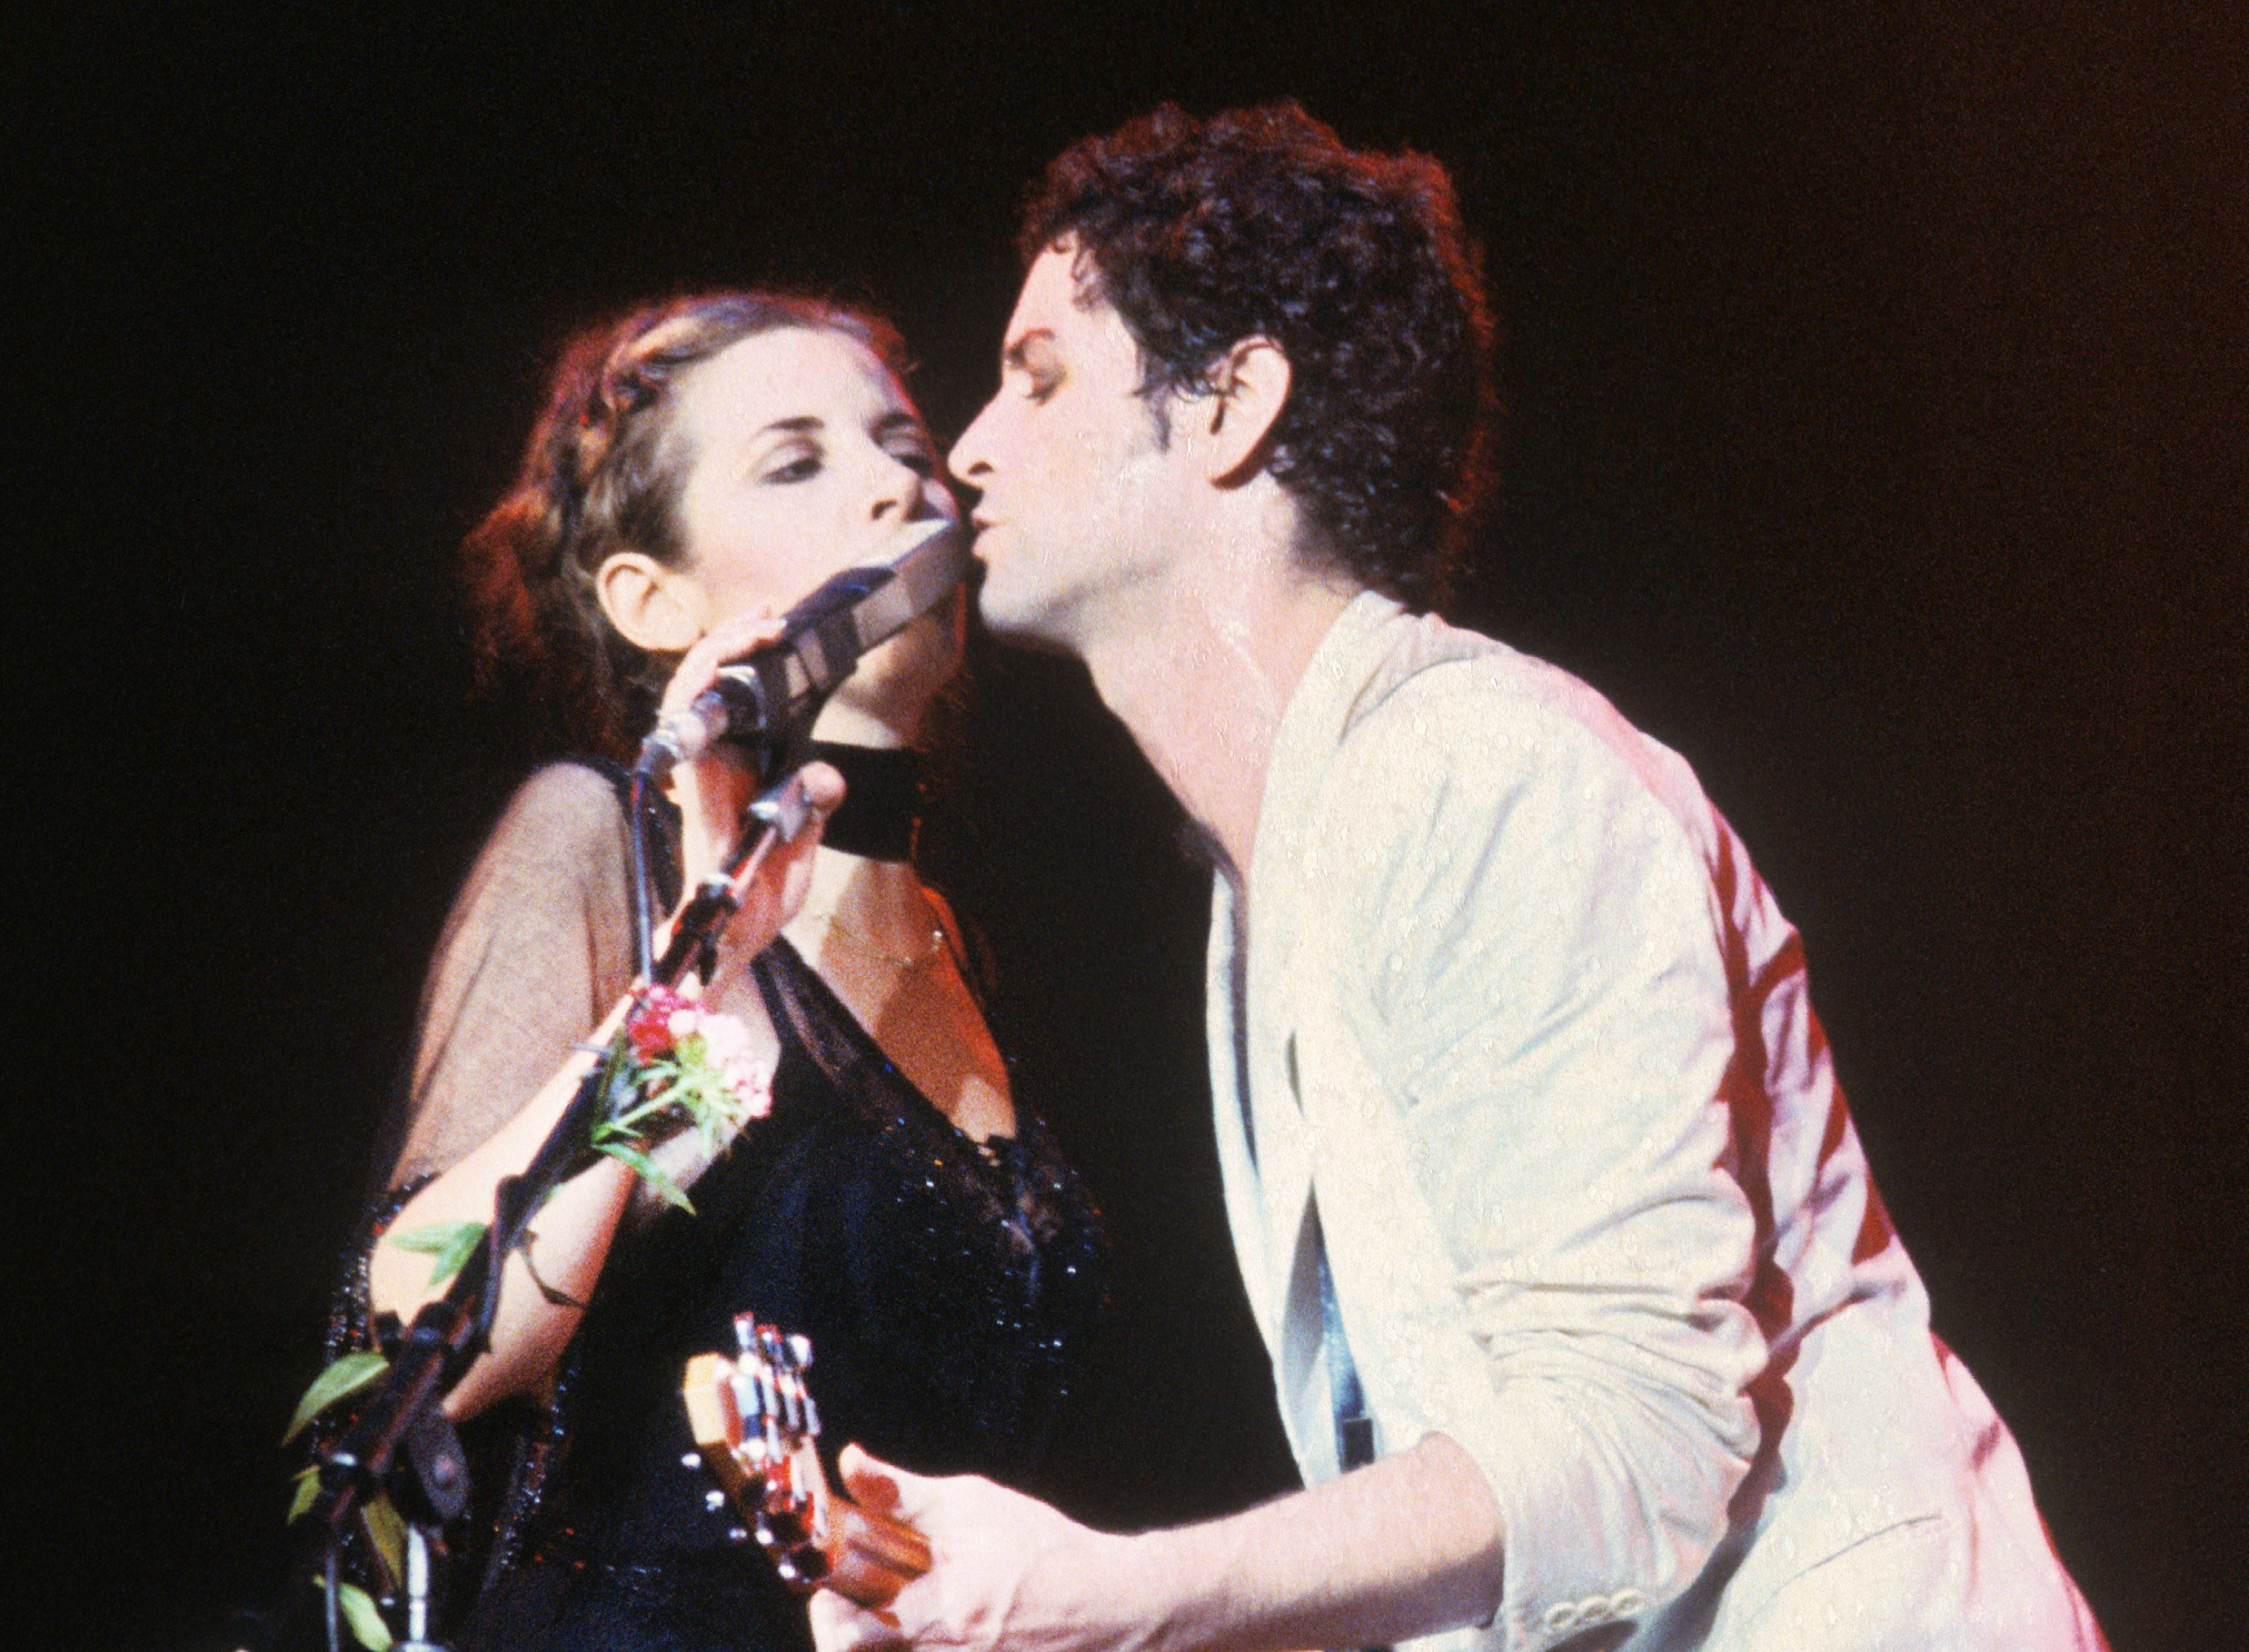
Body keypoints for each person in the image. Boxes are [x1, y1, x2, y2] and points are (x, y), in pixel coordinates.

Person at [805, 105, 2107, 1652]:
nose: (968, 448)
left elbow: (1637, 1442)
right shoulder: (1276, 862)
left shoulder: (1482, 772)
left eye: (1040, 376)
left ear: (1230, 403)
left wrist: (1117, 1596)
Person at [334, 293, 1106, 1652]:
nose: (897, 488)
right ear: (653, 597)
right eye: (798, 461)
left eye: (902, 446)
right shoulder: (595, 848)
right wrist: (696, 971)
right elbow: (422, 1327)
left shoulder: (952, 937)